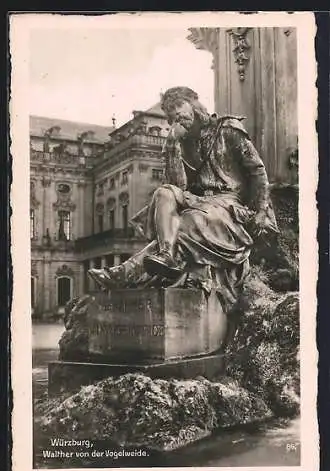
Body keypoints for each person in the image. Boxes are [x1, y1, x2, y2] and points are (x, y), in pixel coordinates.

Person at [88, 86, 278, 312]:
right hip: (200, 202)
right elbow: (176, 186)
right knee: (163, 193)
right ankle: (167, 255)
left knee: (187, 223)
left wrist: (260, 210)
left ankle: (126, 272)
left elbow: (257, 171)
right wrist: (171, 146)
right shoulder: (184, 143)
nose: (174, 115)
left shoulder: (227, 129)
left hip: (230, 204)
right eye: (169, 113)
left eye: (178, 106)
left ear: (193, 102)